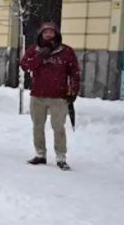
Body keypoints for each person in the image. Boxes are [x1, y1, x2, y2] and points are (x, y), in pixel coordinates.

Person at [21, 22, 80, 171]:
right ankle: (40, 154)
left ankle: (61, 157)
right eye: (45, 32)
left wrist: (73, 91)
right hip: (38, 95)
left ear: (56, 34)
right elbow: (25, 65)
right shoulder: (34, 50)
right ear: (40, 34)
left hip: (58, 96)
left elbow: (74, 73)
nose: (48, 34)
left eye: (51, 32)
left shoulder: (66, 51)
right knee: (37, 126)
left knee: (58, 127)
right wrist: (39, 57)